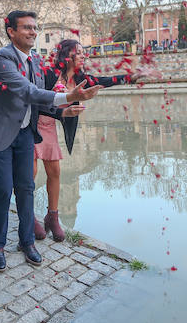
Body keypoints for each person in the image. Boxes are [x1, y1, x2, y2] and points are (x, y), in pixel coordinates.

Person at [0, 10, 100, 272]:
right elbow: (28, 91)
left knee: (27, 187)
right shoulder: (3, 60)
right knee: (2, 190)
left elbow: (36, 102)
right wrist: (67, 97)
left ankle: (26, 241)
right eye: (27, 28)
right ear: (11, 32)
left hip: (23, 133)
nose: (33, 32)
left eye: (35, 27)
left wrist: (62, 111)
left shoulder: (35, 61)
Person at [34, 39, 141, 240]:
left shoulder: (80, 78)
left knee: (55, 172)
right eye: (80, 53)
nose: (85, 56)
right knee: (29, 173)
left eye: (84, 53)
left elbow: (103, 81)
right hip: (32, 125)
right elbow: (35, 100)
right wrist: (63, 112)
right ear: (67, 55)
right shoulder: (48, 74)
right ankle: (28, 217)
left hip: (49, 128)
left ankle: (52, 217)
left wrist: (129, 78)